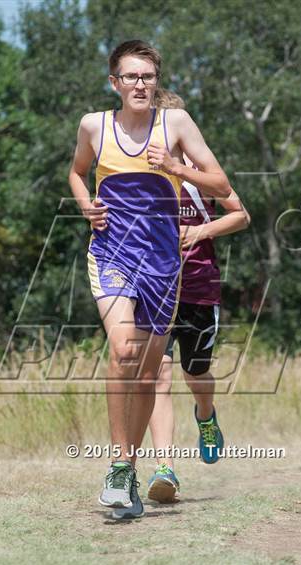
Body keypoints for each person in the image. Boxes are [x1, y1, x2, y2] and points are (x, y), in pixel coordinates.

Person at [68, 40, 231, 519]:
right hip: (112, 254)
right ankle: (119, 467)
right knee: (123, 353)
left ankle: (131, 474)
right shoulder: (93, 125)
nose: (139, 84)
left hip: (164, 265)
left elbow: (221, 186)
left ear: (156, 82)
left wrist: (175, 166)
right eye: (130, 77)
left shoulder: (175, 124)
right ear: (114, 82)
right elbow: (77, 173)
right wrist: (85, 204)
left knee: (147, 375)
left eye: (147, 77)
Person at [144, 89, 251, 504]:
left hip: (199, 286)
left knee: (195, 374)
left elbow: (240, 213)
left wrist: (200, 231)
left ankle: (205, 416)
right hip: (154, 285)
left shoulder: (198, 172)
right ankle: (165, 470)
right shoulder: (140, 170)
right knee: (158, 375)